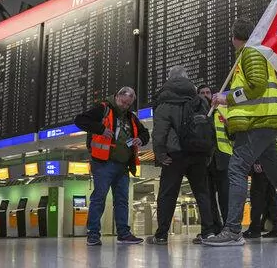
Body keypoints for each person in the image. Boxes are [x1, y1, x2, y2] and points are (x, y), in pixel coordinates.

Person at [204, 18, 277, 246]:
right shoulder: (256, 54)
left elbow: (256, 86)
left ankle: (232, 230)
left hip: (257, 121)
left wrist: (226, 98)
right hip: (265, 119)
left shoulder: (251, 53)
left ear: (235, 37)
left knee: (236, 169)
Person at [146, 66, 216, 245]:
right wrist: (208, 153)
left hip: (174, 154)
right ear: (187, 78)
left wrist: (160, 153)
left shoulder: (165, 100)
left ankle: (161, 235)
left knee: (167, 194)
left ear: (169, 78)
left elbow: (160, 130)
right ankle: (208, 233)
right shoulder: (200, 100)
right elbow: (209, 129)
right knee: (202, 193)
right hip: (198, 153)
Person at [75, 87, 149, 246]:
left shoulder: (131, 117)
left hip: (123, 165)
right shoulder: (102, 108)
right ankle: (93, 234)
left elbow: (145, 133)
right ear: (117, 96)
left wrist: (140, 140)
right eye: (123, 102)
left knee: (122, 200)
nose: (125, 106)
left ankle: (123, 233)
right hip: (103, 163)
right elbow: (80, 120)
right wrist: (101, 129)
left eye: (129, 104)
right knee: (99, 197)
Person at [197, 84, 231, 235]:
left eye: (208, 92)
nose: (205, 95)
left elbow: (233, 135)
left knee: (226, 196)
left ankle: (229, 227)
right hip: (204, 161)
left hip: (223, 158)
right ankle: (214, 226)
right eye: (202, 93)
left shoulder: (222, 111)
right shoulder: (197, 114)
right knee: (208, 197)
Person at [243, 161, 277, 239]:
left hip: (260, 170)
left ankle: (254, 230)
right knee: (272, 200)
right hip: (271, 169)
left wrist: (257, 162)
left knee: (257, 200)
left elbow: (257, 148)